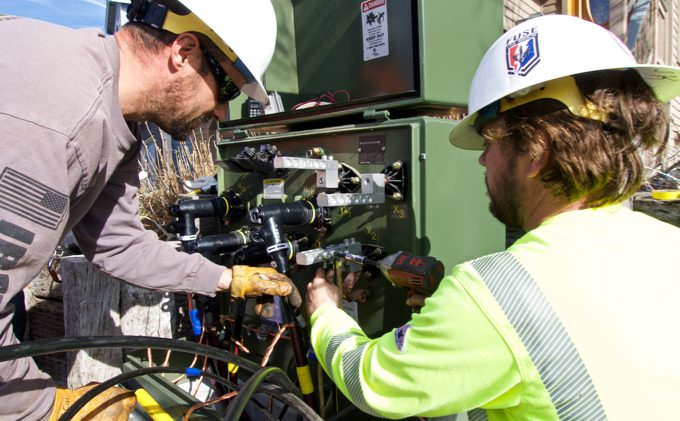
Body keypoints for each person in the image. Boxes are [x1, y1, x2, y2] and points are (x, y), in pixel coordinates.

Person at [306, 14, 680, 420]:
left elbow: (371, 381)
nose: (482, 159)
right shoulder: (668, 242)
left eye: (489, 142)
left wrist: (326, 312)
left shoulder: (494, 295)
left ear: (535, 148)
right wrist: (459, 324)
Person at [0, 1, 301, 420]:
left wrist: (225, 279)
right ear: (183, 51)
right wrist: (43, 409)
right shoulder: (57, 122)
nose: (222, 112)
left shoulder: (117, 121)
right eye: (227, 89)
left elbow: (118, 243)